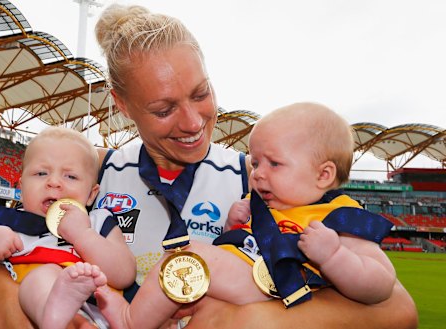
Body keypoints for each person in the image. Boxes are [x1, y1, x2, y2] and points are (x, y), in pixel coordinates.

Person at [0, 4, 418, 329]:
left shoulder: (262, 181)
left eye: (201, 93)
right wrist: (20, 313)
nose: (194, 122)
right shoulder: (84, 179)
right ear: (122, 104)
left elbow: (399, 311)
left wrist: (254, 319)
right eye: (163, 109)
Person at [94, 102, 397, 328]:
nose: (258, 173)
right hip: (243, 286)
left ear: (323, 174)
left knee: (185, 257)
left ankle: (129, 320)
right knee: (186, 278)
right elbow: (236, 248)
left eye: (274, 164)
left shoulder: (339, 216)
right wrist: (231, 226)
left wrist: (333, 257)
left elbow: (381, 285)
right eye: (256, 161)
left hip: (276, 288)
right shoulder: (262, 207)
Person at [0, 127, 135, 329]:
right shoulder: (4, 219)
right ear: (21, 188)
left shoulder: (98, 221)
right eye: (41, 173)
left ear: (92, 194)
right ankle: (54, 316)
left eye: (70, 176)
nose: (53, 182)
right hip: (33, 309)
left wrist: (84, 235)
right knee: (41, 278)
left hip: (96, 315)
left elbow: (125, 274)